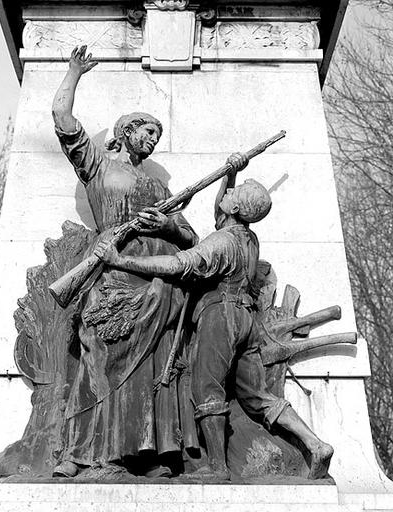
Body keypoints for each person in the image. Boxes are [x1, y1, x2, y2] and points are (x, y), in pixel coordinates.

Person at [94, 161, 334, 481]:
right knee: (258, 397)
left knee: (206, 388)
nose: (228, 191)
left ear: (235, 206)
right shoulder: (248, 238)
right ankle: (315, 444)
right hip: (247, 321)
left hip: (220, 317)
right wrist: (230, 174)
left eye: (233, 191)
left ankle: (217, 468)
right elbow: (224, 217)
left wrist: (120, 260)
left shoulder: (222, 243)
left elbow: (178, 263)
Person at [51, 45, 198, 478]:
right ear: (126, 131)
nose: (153, 140)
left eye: (157, 135)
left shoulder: (155, 185)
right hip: (106, 273)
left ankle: (142, 453)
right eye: (147, 131)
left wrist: (167, 226)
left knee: (144, 366)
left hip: (148, 279)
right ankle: (75, 453)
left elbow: (188, 235)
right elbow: (62, 120)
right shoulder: (97, 165)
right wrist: (73, 73)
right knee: (95, 360)